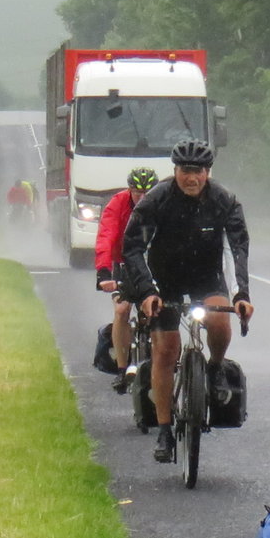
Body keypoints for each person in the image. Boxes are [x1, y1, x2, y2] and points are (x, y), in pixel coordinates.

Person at [118, 138, 253, 462]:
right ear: (176, 171)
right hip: (165, 279)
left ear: (208, 172)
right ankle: (164, 430)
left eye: (199, 171)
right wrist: (148, 291)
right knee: (165, 351)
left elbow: (238, 249)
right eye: (185, 171)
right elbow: (133, 248)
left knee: (220, 322)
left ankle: (216, 367)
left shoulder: (224, 201)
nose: (192, 178)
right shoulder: (157, 200)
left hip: (207, 276)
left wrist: (242, 294)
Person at [94, 165, 158, 391]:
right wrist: (103, 271)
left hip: (151, 260)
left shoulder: (161, 202)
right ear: (129, 190)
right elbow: (106, 235)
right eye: (137, 192)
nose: (142, 198)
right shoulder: (117, 203)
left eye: (147, 193)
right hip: (122, 261)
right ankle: (122, 370)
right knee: (122, 310)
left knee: (158, 308)